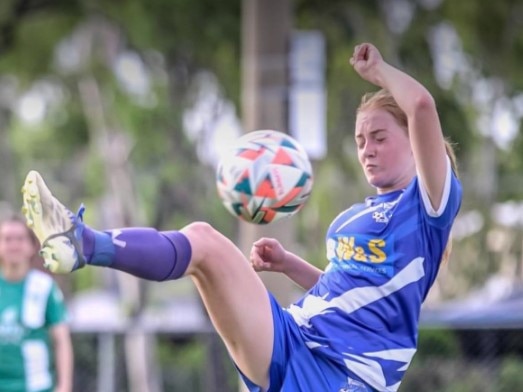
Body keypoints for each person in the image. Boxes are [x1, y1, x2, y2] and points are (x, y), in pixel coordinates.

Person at [21, 42, 462, 392]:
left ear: (414, 141)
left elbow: (421, 105)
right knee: (203, 242)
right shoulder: (359, 214)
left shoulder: (427, 206)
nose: (366, 148)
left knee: (208, 245)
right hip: (298, 336)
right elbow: (344, 288)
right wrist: (289, 264)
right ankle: (81, 242)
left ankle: (82, 242)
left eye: (379, 136)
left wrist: (379, 71)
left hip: (341, 373)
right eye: (360, 139)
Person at [0, 216, 73, 392]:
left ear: (32, 246)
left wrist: (64, 387)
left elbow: (61, 340)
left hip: (36, 387)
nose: (14, 245)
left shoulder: (44, 287)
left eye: (20, 239)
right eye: (7, 239)